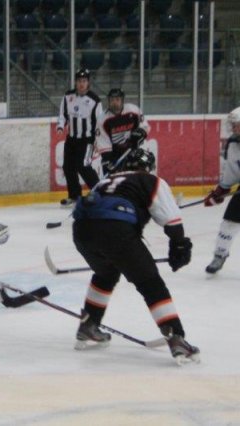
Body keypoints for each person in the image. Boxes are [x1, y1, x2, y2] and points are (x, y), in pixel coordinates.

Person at [71, 148, 200, 365]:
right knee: (150, 282)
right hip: (116, 231)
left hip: (82, 232)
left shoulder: (105, 180)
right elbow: (172, 221)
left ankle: (89, 325)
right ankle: (176, 338)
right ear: (149, 167)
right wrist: (178, 245)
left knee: (106, 272)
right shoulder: (150, 180)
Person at [56, 68, 102, 207]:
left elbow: (99, 122)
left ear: (88, 83)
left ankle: (100, 193)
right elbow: (63, 114)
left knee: (83, 166)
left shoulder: (95, 100)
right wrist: (60, 126)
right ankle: (74, 195)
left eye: (84, 81)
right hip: (71, 139)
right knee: (68, 166)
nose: (81, 84)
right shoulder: (68, 96)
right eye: (79, 81)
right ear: (75, 82)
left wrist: (97, 141)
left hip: (87, 140)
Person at [204, 106, 240, 274]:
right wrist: (221, 190)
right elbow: (233, 171)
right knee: (229, 221)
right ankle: (220, 254)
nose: (233, 128)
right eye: (232, 124)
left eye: (236, 124)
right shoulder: (233, 143)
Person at [95, 88, 151, 174]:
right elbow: (103, 144)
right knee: (113, 174)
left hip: (133, 152)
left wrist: (141, 133)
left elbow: (145, 127)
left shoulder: (133, 110)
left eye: (117, 99)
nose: (114, 103)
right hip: (115, 156)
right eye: (112, 100)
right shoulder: (102, 119)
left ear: (122, 100)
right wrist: (108, 160)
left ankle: (142, 181)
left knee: (148, 159)